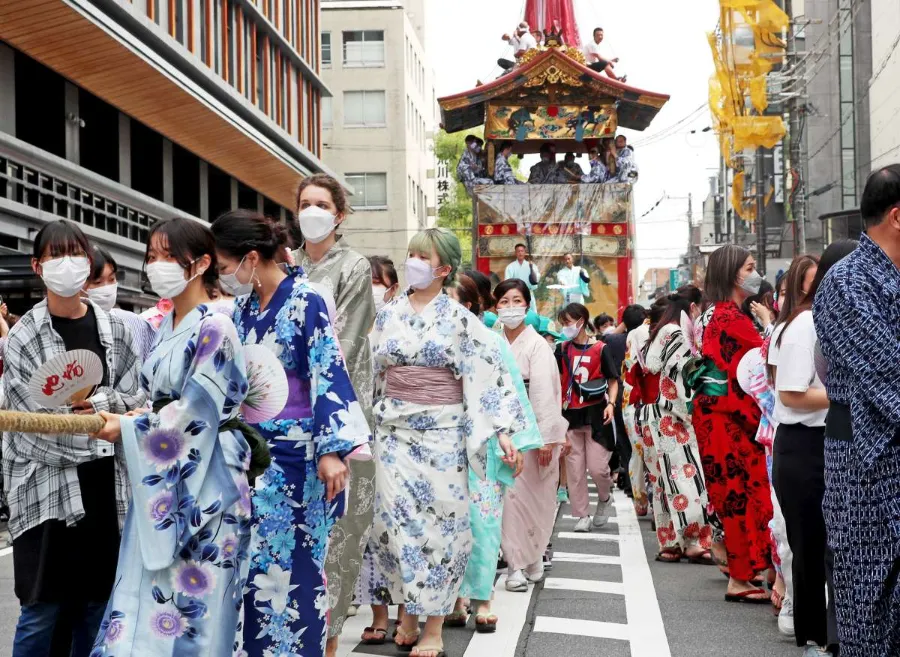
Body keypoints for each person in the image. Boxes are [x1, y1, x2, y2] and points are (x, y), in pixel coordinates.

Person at [87, 218, 253, 655]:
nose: (155, 266)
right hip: (168, 479)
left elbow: (196, 413)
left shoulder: (216, 327)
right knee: (150, 599)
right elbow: (156, 402)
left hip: (210, 483)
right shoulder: (165, 327)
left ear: (200, 263)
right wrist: (119, 414)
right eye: (151, 257)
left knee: (199, 610)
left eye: (167, 257)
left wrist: (127, 428)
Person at [357, 228, 525, 657]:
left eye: (422, 256)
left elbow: (487, 382)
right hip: (391, 434)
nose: (412, 261)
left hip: (443, 436)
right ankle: (407, 614)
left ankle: (433, 623)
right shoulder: (388, 315)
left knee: (441, 527)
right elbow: (367, 372)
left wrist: (502, 432)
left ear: (444, 268)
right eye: (409, 253)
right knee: (390, 526)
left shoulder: (462, 322)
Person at [210, 210, 370, 657]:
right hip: (246, 457)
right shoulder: (239, 311)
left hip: (298, 458)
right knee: (247, 571)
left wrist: (332, 449)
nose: (225, 280)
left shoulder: (306, 300)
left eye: (225, 269)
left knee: (295, 571)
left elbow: (327, 371)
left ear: (251, 258)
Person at [0, 221, 143, 657]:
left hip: (106, 492)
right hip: (45, 495)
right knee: (42, 611)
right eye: (56, 255)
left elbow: (140, 397)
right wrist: (103, 435)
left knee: (99, 610)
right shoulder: (23, 337)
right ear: (37, 266)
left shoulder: (117, 330)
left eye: (76, 254)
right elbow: (27, 431)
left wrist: (104, 402)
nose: (68, 265)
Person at [813, 166, 900, 657]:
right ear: (897, 215)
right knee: (868, 617)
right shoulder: (848, 283)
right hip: (865, 469)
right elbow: (890, 376)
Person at [291, 174, 378, 655]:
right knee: (295, 529)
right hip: (286, 419)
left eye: (322, 204)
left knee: (341, 534)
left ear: (339, 214)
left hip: (340, 417)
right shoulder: (286, 266)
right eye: (305, 203)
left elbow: (343, 342)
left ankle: (328, 639)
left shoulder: (355, 267)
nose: (313, 211)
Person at [446, 275, 541, 631]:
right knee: (448, 522)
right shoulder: (432, 339)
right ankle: (454, 598)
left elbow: (508, 390)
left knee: (483, 523)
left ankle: (483, 597)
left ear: (468, 305)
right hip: (439, 441)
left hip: (484, 443)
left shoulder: (490, 342)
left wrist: (511, 439)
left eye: (451, 300)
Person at [692, 244, 773, 604]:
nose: (756, 274)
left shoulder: (714, 315)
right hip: (731, 416)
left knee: (734, 495)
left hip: (715, 415)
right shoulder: (732, 320)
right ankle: (743, 576)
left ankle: (747, 572)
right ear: (732, 274)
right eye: (750, 268)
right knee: (747, 493)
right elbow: (755, 371)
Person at [767, 252, 837, 655]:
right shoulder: (805, 325)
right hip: (804, 443)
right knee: (810, 545)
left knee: (816, 544)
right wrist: (844, 396)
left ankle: (822, 633)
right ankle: (812, 635)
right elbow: (791, 393)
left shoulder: (804, 323)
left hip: (808, 442)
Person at [495, 279, 568, 591]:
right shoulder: (492, 341)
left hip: (532, 429)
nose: (510, 307)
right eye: (503, 302)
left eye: (516, 300)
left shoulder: (538, 345)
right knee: (508, 499)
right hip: (499, 428)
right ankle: (514, 566)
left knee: (536, 499)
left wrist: (548, 438)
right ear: (494, 306)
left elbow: (545, 393)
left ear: (526, 305)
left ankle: (535, 556)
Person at [639, 286, 713, 563]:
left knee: (661, 479)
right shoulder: (677, 334)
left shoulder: (660, 331)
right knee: (685, 475)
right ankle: (693, 540)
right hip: (670, 415)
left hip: (651, 415)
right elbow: (682, 377)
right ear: (692, 307)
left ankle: (669, 542)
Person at [557, 303, 619, 533]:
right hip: (570, 415)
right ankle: (582, 515)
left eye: (568, 322)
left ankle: (604, 498)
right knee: (574, 470)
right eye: (563, 323)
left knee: (598, 468)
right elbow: (555, 382)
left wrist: (611, 404)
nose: (565, 327)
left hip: (596, 414)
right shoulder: (562, 349)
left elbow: (613, 380)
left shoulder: (600, 349)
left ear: (581, 321)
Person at [83, 246, 158, 361]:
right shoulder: (69, 328)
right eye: (97, 282)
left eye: (112, 279)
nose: (106, 287)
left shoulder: (136, 324)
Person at [603, 305, 646, 501]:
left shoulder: (613, 340)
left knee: (625, 442)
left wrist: (623, 325)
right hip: (642, 393)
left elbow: (605, 338)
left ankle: (632, 487)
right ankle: (644, 486)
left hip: (621, 393)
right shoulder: (648, 337)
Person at [505, 244, 541, 311]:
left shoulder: (531, 265)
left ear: (525, 252)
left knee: (531, 313)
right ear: (515, 253)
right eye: (518, 251)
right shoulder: (510, 267)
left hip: (528, 293)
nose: (520, 253)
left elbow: (535, 280)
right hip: (516, 295)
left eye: (522, 251)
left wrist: (531, 269)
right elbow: (507, 282)